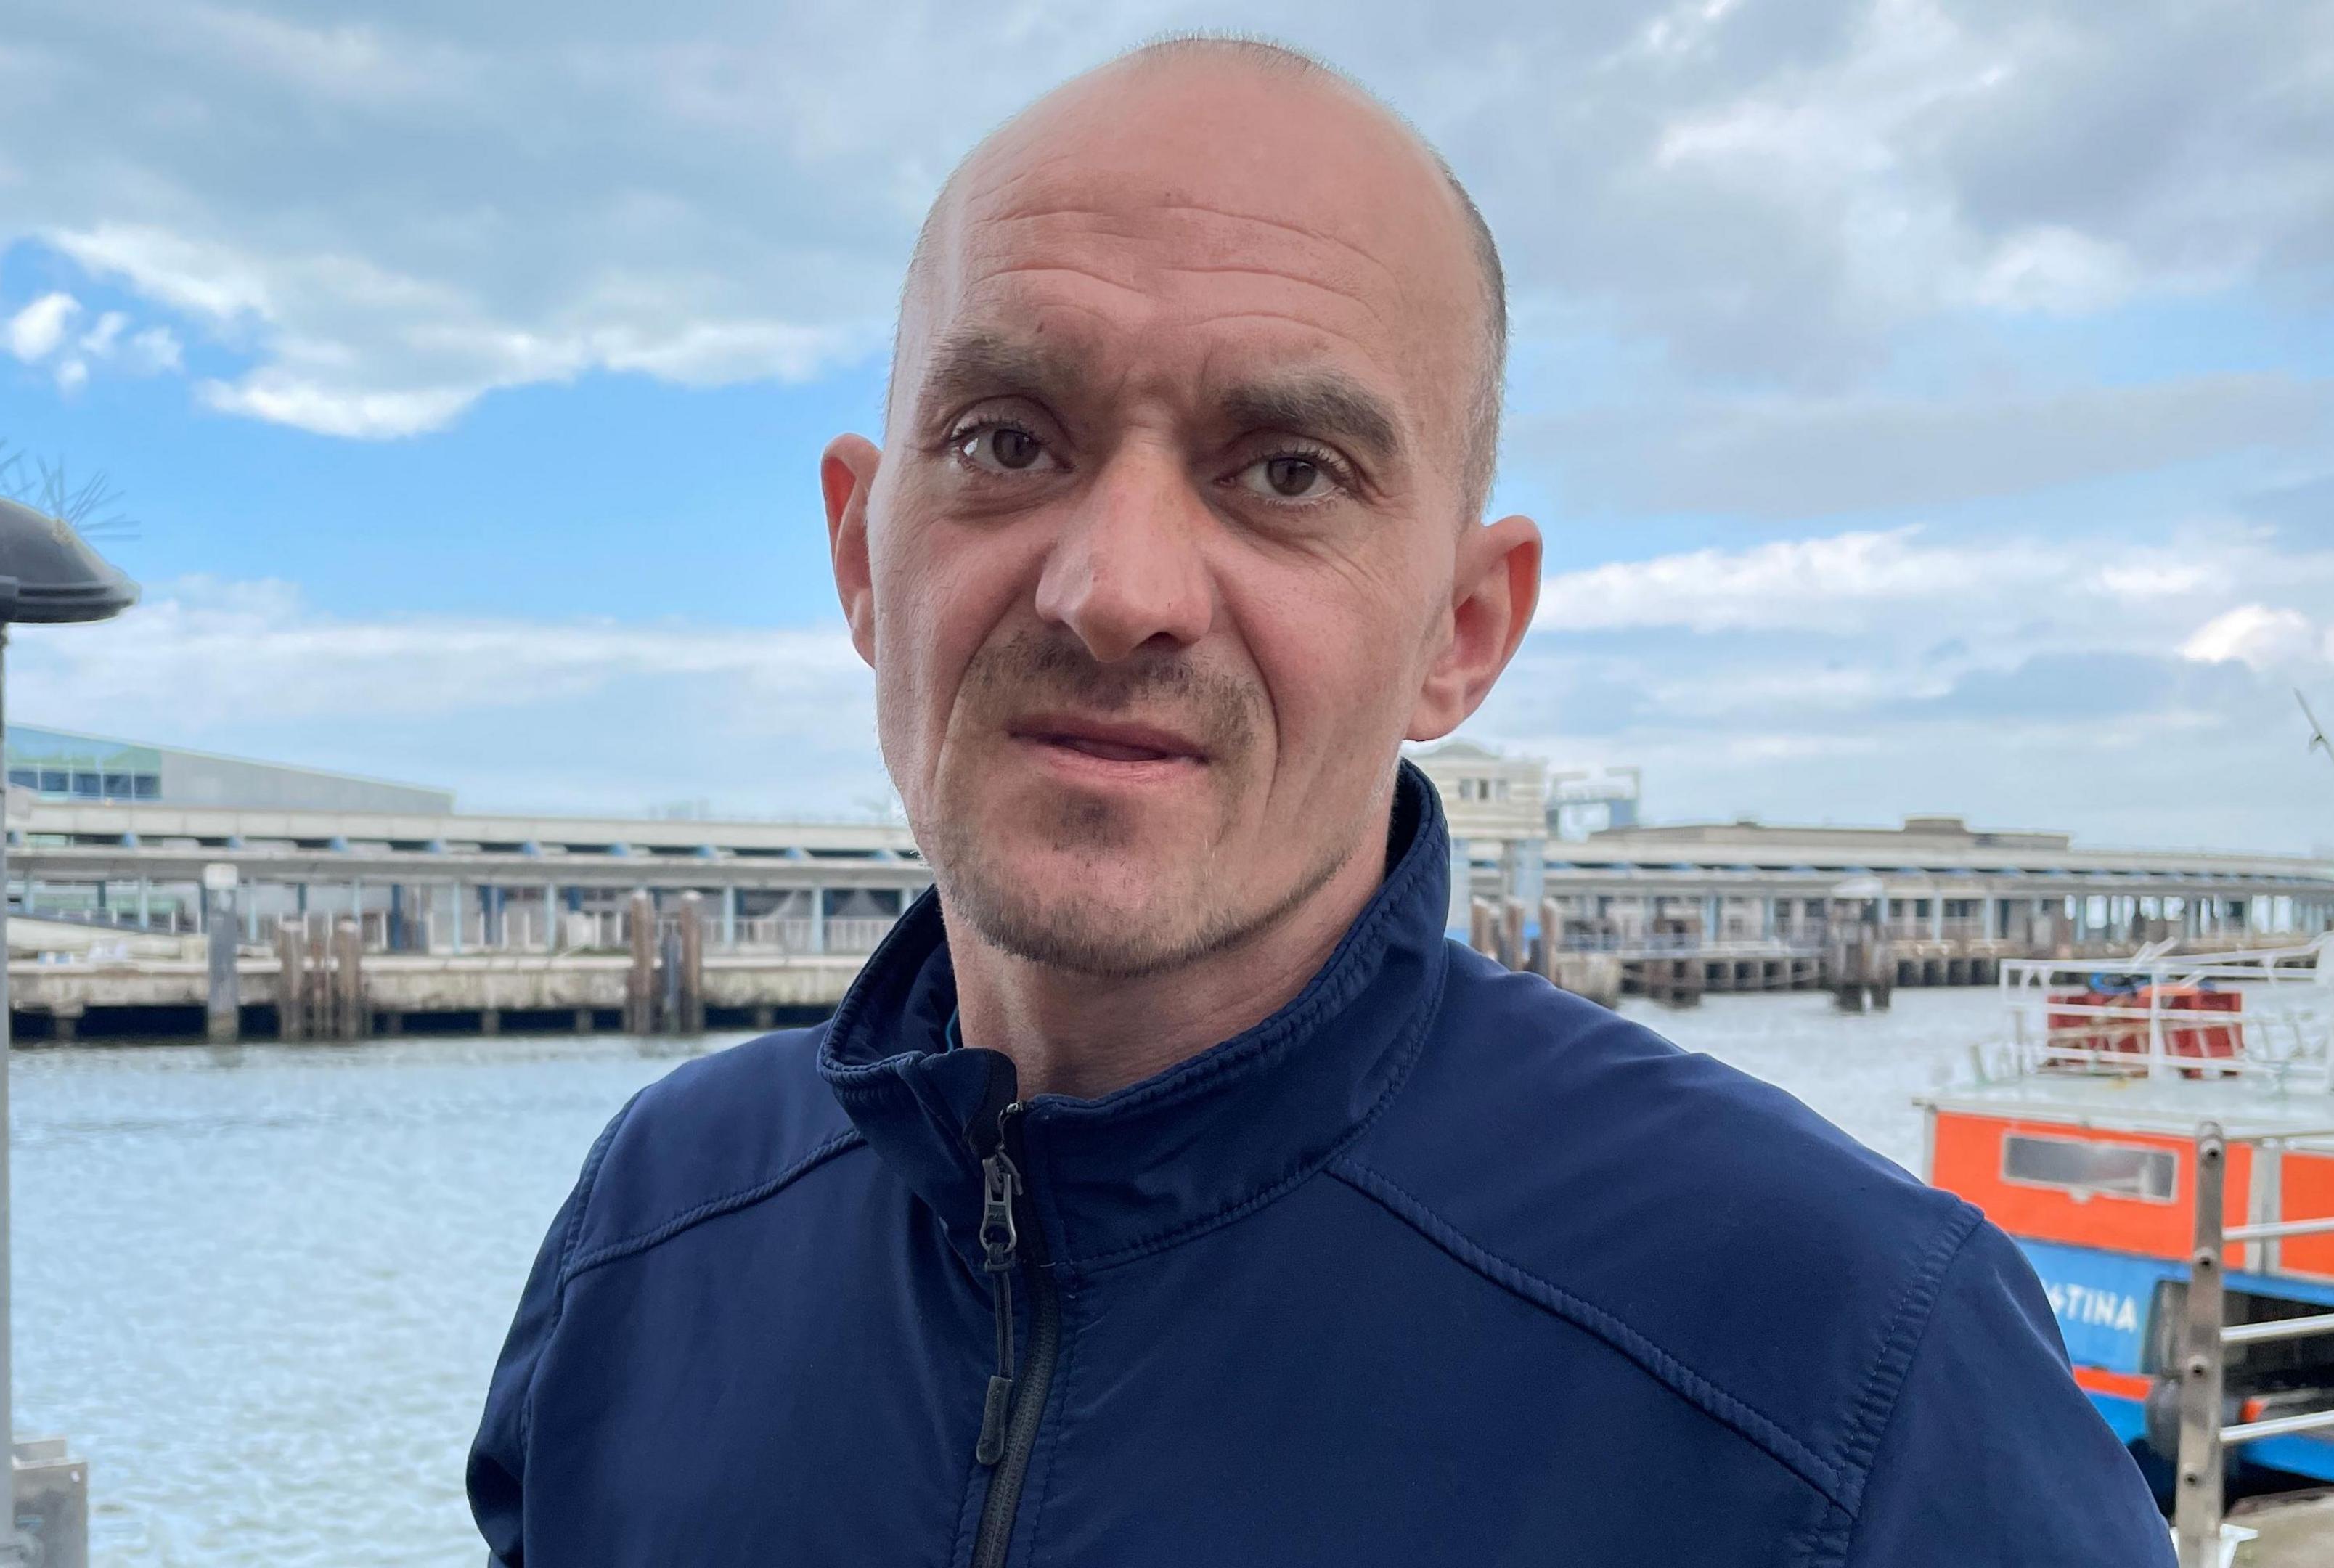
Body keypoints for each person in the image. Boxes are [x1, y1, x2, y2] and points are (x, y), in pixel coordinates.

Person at [468, 36, 2173, 1567]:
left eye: (1286, 473)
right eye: (1007, 439)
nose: (1115, 588)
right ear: (860, 554)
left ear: (1462, 631)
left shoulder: (1844, 1370)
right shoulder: (658, 1232)